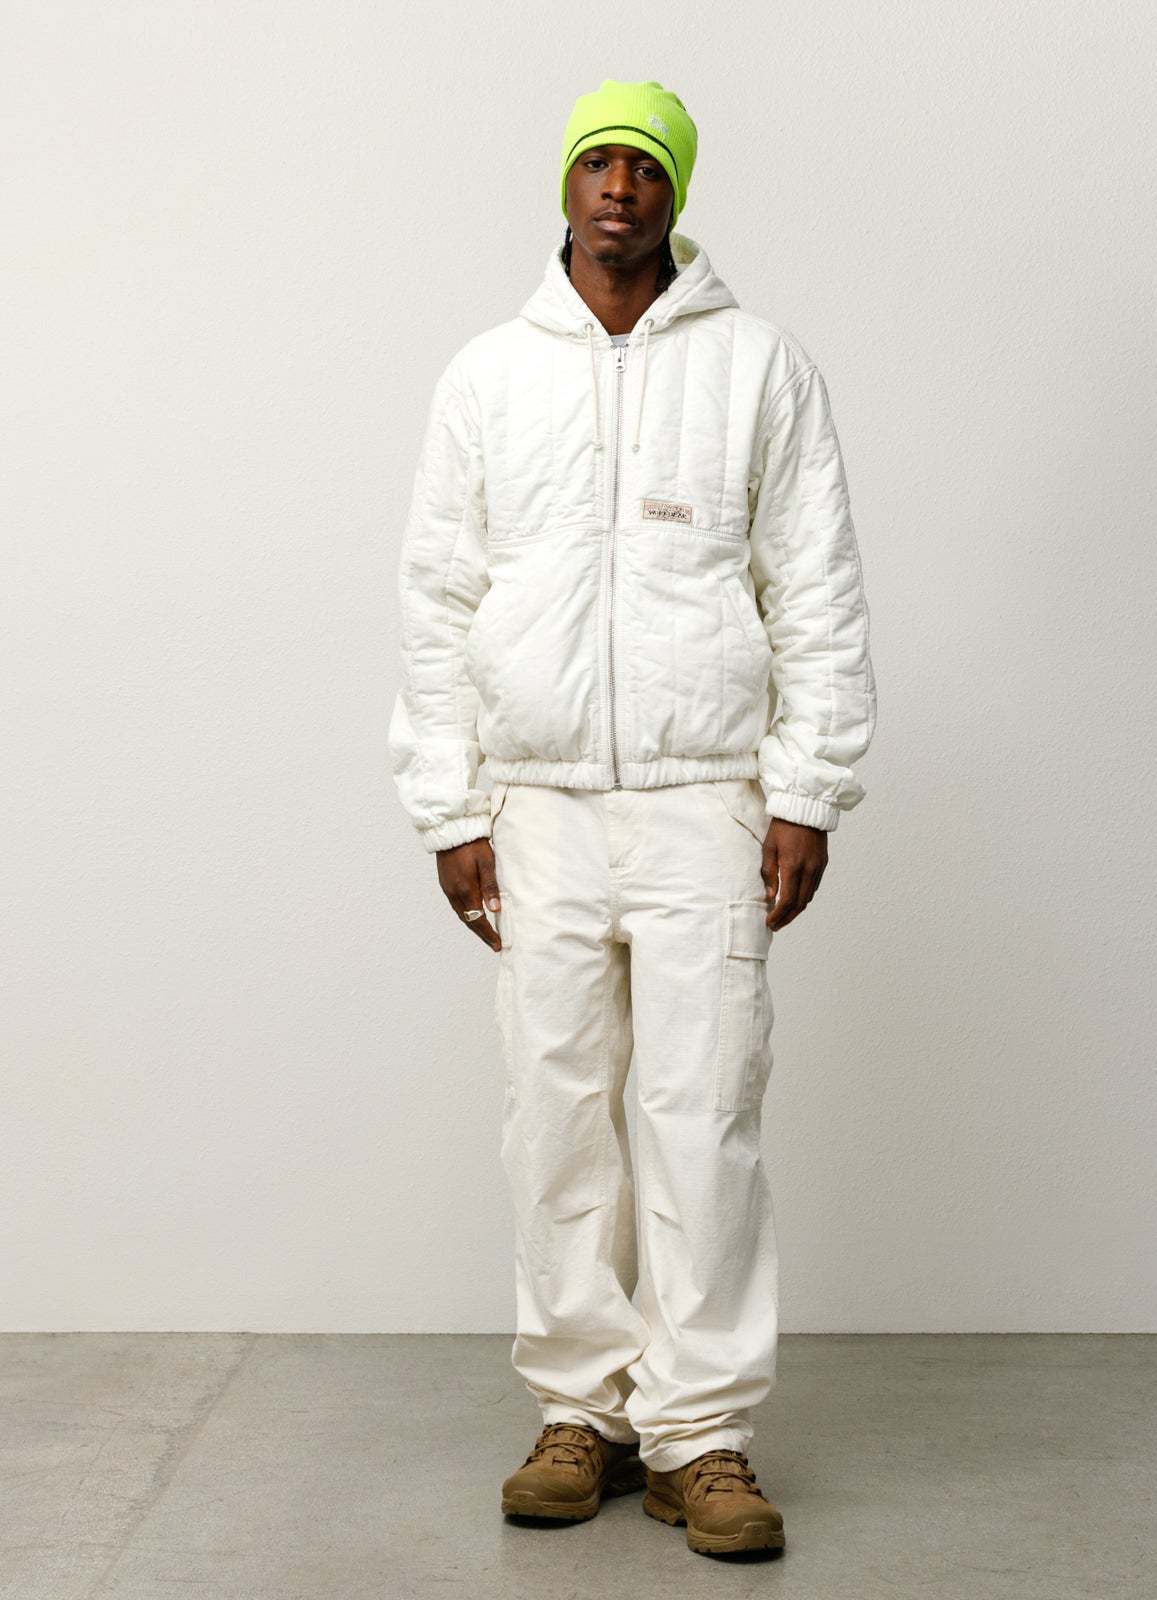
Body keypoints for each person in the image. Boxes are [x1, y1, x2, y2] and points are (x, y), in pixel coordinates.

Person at [389, 77, 876, 1559]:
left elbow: (815, 583)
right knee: (555, 1115)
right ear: (566, 184)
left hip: (702, 800)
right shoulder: (489, 376)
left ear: (678, 189)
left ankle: (702, 1434)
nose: (619, 188)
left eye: (646, 166)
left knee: (702, 1118)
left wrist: (804, 789)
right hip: (535, 802)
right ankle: (579, 1414)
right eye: (598, 162)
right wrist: (449, 804)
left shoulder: (759, 366)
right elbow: (439, 600)